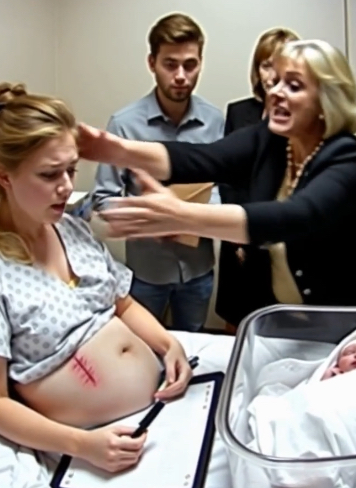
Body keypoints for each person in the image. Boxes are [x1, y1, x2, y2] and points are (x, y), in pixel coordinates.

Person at [0, 82, 193, 474]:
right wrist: (83, 445)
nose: (67, 187)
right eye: (50, 174)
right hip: (91, 443)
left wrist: (168, 344)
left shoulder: (70, 229)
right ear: (4, 177)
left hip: (157, 408)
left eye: (71, 170)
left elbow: (122, 304)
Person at [78, 39, 356, 315]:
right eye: (276, 81)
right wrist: (118, 150)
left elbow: (293, 217)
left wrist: (181, 216)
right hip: (281, 314)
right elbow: (203, 158)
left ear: (327, 101)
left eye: (294, 86)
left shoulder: (346, 156)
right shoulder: (270, 140)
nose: (275, 92)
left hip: (341, 313)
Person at [92, 13, 224, 333]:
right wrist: (147, 218)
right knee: (144, 348)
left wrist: (192, 215)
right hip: (146, 271)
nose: (180, 76)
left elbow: (226, 188)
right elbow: (103, 198)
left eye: (190, 65)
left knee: (192, 345)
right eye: (170, 64)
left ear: (201, 63)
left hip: (198, 270)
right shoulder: (124, 125)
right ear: (152, 63)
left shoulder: (216, 121)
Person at [219, 27, 300, 332]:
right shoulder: (239, 112)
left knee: (285, 325)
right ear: (257, 69)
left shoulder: (307, 115)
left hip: (285, 237)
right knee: (239, 323)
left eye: (283, 65)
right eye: (267, 65)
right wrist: (237, 231)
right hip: (238, 233)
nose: (273, 74)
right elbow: (227, 175)